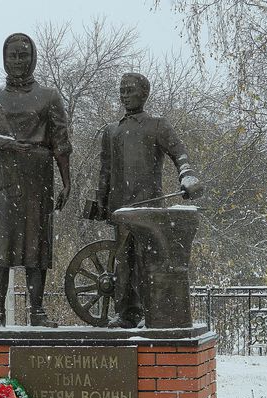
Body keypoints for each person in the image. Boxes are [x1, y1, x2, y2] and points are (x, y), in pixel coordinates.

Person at [0, 32, 72, 328]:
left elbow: (61, 143)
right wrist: (5, 142)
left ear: (33, 58)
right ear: (4, 58)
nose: (18, 61)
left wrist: (67, 181)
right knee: (2, 244)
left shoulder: (49, 96)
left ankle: (37, 311)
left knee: (37, 245)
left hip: (39, 177)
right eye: (12, 55)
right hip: (5, 177)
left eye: (23, 55)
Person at [86, 72, 203, 328]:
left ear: (144, 93)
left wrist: (187, 175)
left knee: (148, 261)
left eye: (130, 90)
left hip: (149, 207)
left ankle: (150, 313)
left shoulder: (157, 126)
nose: (125, 95)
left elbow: (179, 152)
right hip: (121, 208)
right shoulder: (111, 131)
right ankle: (125, 313)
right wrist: (100, 201)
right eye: (122, 90)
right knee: (124, 262)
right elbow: (105, 170)